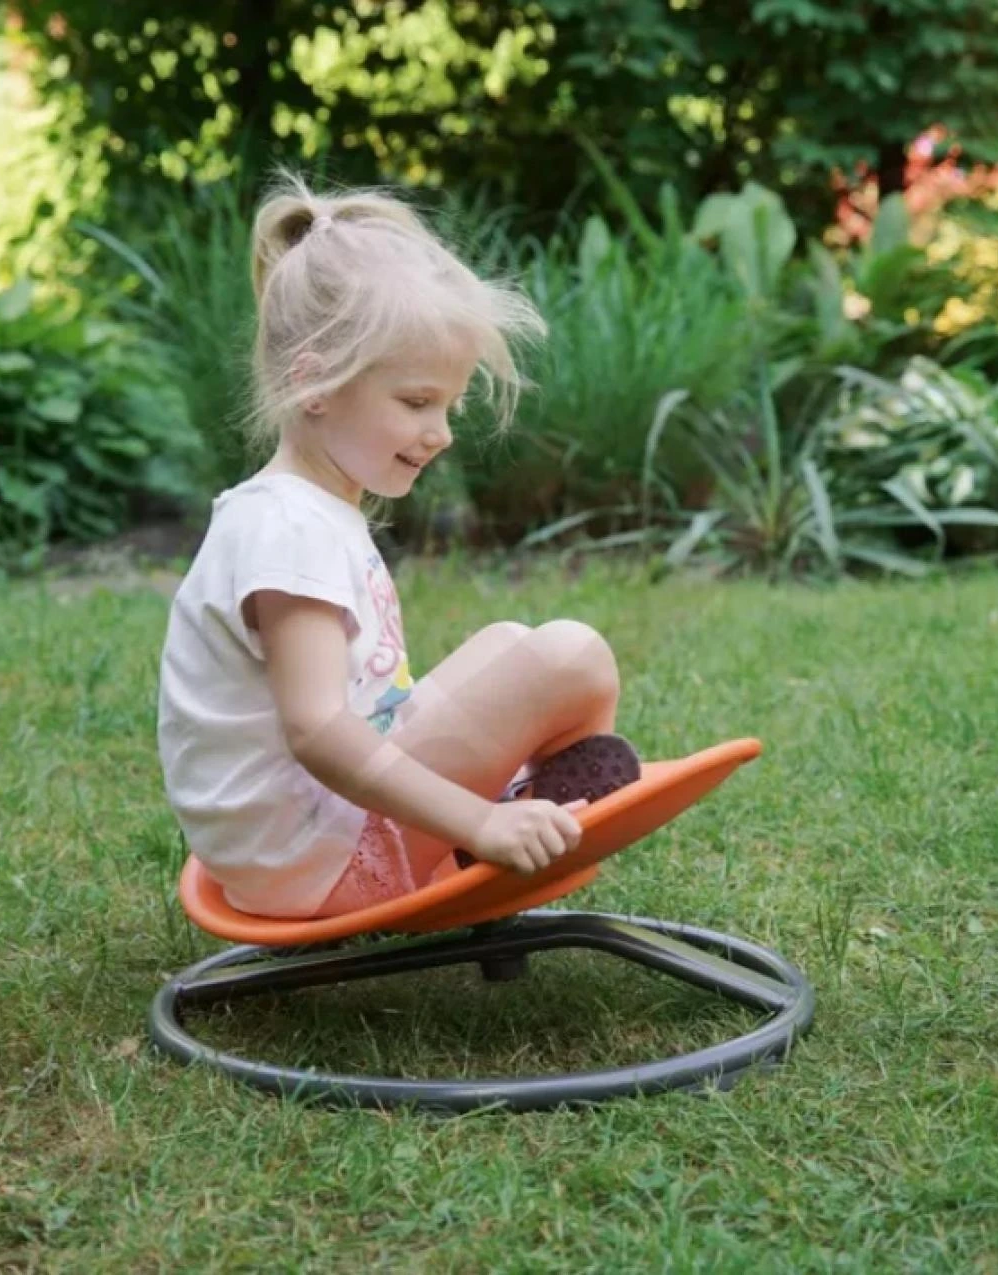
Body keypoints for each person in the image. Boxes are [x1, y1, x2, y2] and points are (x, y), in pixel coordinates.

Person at [157, 169, 641, 920]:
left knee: (518, 643)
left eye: (448, 404)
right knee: (567, 656)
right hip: (319, 860)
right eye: (416, 402)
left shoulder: (298, 510)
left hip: (300, 845)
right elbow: (317, 730)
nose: (441, 432)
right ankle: (500, 827)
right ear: (314, 384)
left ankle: (520, 811)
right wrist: (472, 816)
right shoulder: (288, 529)